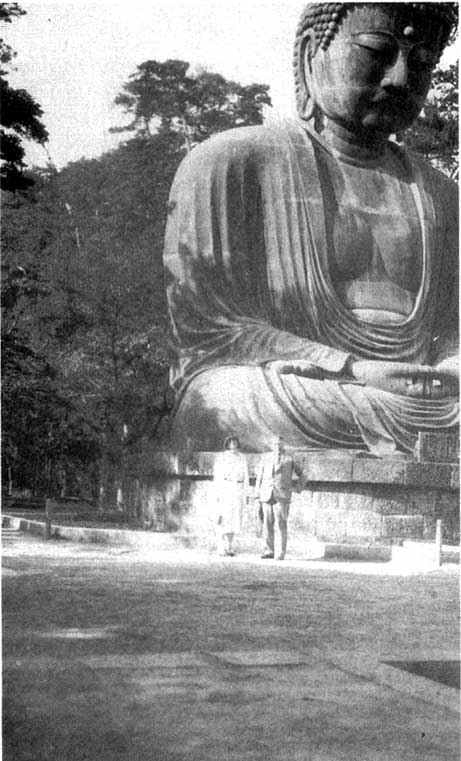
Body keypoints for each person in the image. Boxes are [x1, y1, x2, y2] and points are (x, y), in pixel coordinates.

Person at [164, 2, 458, 456]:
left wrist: (451, 371)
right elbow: (210, 331)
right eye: (377, 51)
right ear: (309, 55)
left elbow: (454, 332)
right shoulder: (230, 163)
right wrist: (350, 368)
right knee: (222, 399)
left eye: (420, 63)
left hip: (422, 396)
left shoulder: (445, 196)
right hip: (299, 387)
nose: (400, 77)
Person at [254, 436, 306, 560]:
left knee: (281, 524)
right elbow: (259, 477)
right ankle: (268, 550)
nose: (277, 446)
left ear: (283, 445)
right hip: (266, 494)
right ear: (272, 445)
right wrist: (257, 495)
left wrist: (297, 488)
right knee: (267, 523)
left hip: (282, 496)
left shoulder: (289, 459)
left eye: (280, 444)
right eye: (275, 444)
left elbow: (303, 475)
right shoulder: (265, 458)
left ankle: (281, 552)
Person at [213, 434, 249, 556]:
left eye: (235, 442)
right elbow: (217, 477)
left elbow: (246, 477)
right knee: (223, 519)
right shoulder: (222, 457)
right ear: (227, 444)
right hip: (225, 490)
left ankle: (229, 547)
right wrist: (218, 493)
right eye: (231, 442)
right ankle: (220, 547)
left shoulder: (242, 458)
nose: (233, 445)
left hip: (238, 491)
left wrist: (246, 493)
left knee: (235, 520)